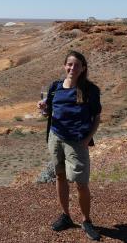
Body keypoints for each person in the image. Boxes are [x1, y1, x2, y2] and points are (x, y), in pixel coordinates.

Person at [37, 51, 102, 241]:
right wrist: (43, 110)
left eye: (77, 65)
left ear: (83, 68)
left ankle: (86, 220)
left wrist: (87, 138)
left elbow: (97, 117)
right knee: (60, 176)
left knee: (81, 183)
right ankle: (66, 215)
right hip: (56, 137)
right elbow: (49, 111)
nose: (72, 68)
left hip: (77, 142)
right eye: (69, 65)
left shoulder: (90, 90)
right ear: (65, 66)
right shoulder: (55, 87)